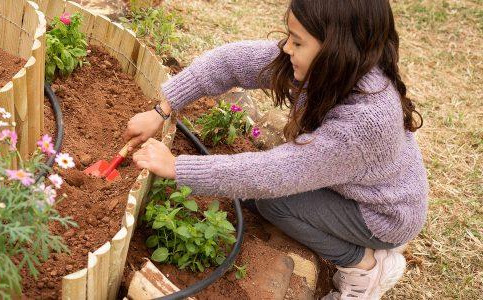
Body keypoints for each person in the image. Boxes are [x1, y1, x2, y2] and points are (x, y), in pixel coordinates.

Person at [123, 0, 429, 298]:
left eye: (297, 42)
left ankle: (365, 266)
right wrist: (162, 109)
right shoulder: (341, 67)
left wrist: (178, 167)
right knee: (253, 196)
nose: (286, 48)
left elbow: (275, 174)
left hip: (383, 213)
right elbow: (231, 62)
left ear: (335, 49)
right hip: (361, 185)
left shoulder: (362, 123)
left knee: (273, 202)